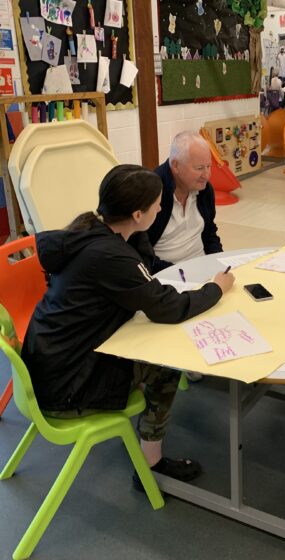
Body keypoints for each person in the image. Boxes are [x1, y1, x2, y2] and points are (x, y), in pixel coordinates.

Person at [22, 164, 235, 488]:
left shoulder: (93, 228)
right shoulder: (110, 256)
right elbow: (168, 307)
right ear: (137, 214)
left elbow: (141, 273)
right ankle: (152, 464)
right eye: (156, 204)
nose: (161, 208)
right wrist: (216, 289)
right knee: (165, 368)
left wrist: (138, 236)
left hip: (50, 363)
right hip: (67, 386)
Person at [138, 131, 222, 274]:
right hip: (167, 274)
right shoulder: (152, 194)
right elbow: (141, 253)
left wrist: (219, 262)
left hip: (202, 267)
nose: (206, 175)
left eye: (209, 166)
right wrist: (180, 273)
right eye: (199, 168)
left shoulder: (204, 190)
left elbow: (209, 232)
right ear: (175, 165)